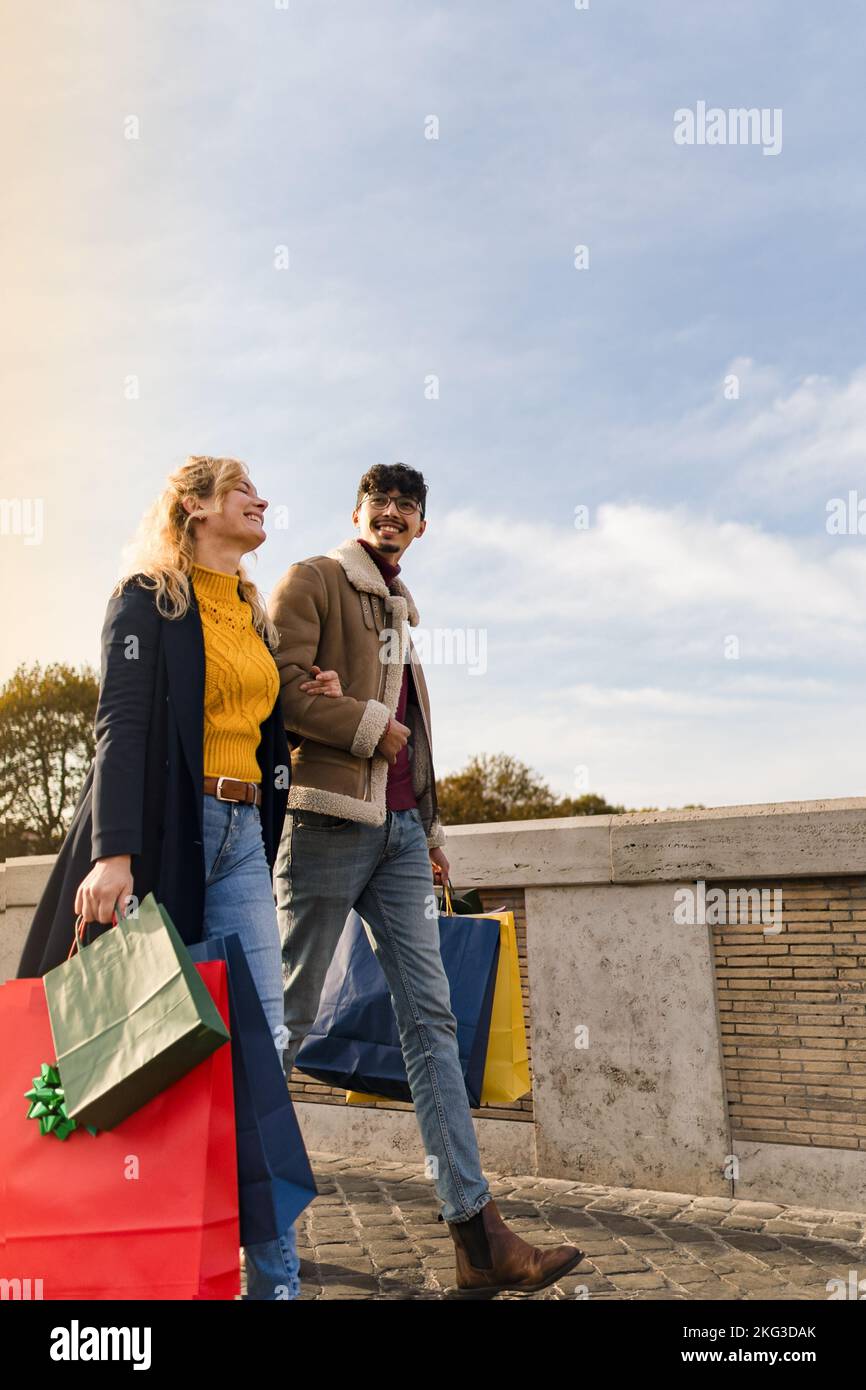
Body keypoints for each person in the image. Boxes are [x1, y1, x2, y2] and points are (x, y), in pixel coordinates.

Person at [16, 454, 342, 1301]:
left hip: (243, 836)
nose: (261, 499)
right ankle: (170, 1264)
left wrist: (308, 705)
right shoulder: (148, 601)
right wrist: (112, 853)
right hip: (173, 836)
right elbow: (119, 726)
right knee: (173, 1047)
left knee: (261, 1049)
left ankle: (273, 1285)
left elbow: (256, 732)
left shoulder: (252, 615)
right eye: (242, 490)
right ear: (196, 508)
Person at [269, 461, 585, 1295]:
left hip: (402, 837)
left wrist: (432, 828)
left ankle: (476, 1238)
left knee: (433, 1023)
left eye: (408, 505)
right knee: (287, 1020)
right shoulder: (314, 580)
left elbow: (418, 732)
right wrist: (366, 722)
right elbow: (281, 692)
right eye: (381, 501)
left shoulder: (401, 609)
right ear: (358, 511)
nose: (394, 513)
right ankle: (229, 1208)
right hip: (331, 824)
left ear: (421, 526)